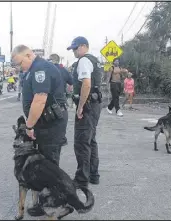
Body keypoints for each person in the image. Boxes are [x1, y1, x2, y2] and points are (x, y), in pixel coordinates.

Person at [11, 44, 68, 214]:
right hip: (44, 123)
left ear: (28, 55)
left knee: (49, 166)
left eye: (20, 63)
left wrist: (29, 125)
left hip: (50, 124)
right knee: (43, 166)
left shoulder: (40, 69)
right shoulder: (32, 69)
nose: (19, 67)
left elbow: (39, 100)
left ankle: (54, 207)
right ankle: (46, 203)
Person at [67, 36, 102, 188]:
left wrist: (80, 106)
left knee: (82, 143)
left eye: (75, 48)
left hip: (87, 106)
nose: (73, 51)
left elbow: (86, 84)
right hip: (95, 105)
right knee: (91, 140)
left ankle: (82, 179)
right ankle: (93, 175)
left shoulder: (84, 61)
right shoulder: (95, 60)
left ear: (83, 46)